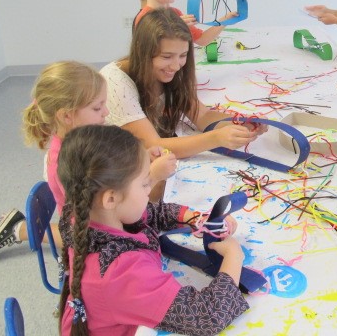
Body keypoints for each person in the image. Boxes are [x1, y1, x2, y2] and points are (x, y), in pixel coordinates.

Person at [58, 124, 248, 335]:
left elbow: (151, 214)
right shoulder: (121, 273)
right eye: (144, 184)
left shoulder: (86, 212)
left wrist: (198, 219)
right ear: (111, 198)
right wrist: (234, 256)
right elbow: (207, 316)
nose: (150, 189)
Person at [0, 62, 175, 261]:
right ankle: (22, 229)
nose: (106, 112)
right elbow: (111, 209)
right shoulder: (67, 162)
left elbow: (114, 167)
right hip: (92, 235)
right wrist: (153, 176)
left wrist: (142, 159)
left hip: (93, 221)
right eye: (97, 107)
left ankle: (23, 228)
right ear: (67, 115)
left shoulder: (86, 139)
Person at [101, 7, 265, 163]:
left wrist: (242, 124)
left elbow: (202, 116)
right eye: (166, 57)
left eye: (183, 55)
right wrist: (217, 138)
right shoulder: (115, 81)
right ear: (141, 50)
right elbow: (152, 144)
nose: (175, 66)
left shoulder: (174, 71)